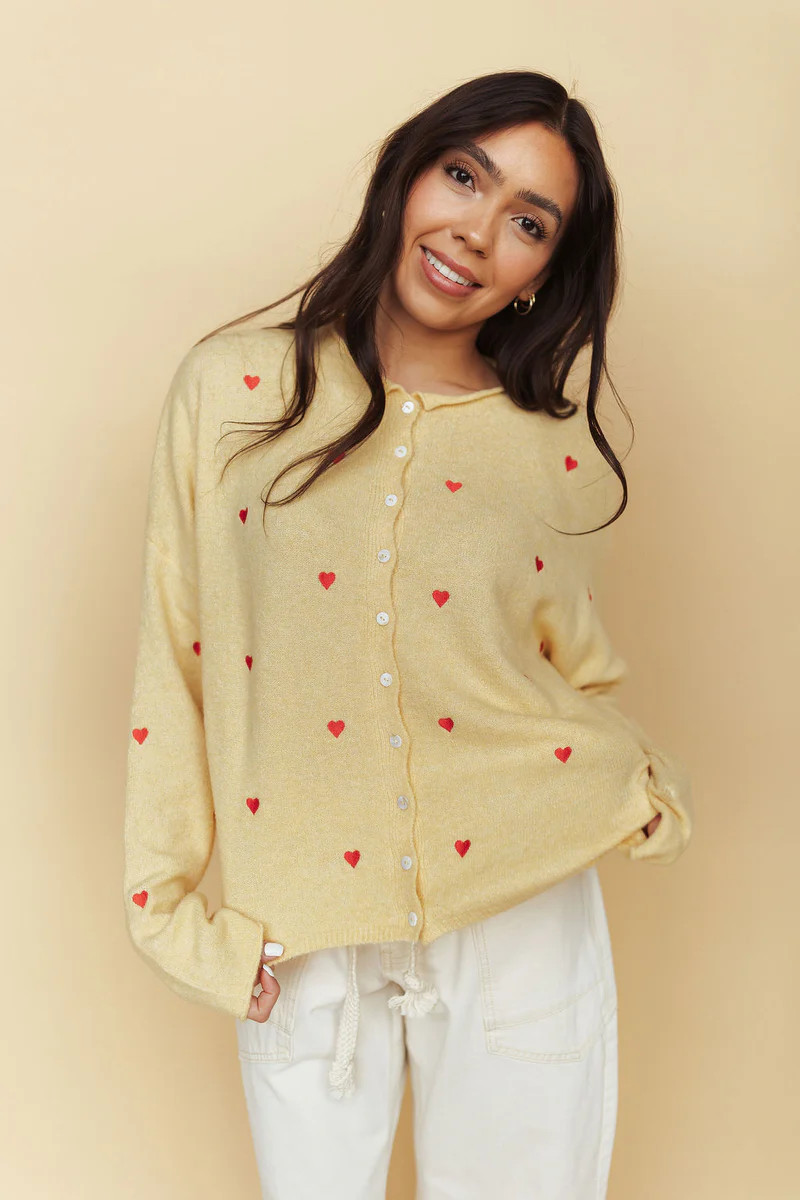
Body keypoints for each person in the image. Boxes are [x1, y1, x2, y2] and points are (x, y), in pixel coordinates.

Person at [123, 69, 692, 1199]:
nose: (476, 231)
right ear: (405, 174)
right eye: (463, 176)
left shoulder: (556, 454)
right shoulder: (234, 389)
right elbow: (176, 655)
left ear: (546, 270)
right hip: (303, 914)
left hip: (522, 907)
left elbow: (566, 673)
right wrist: (173, 920)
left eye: (528, 222)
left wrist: (628, 782)